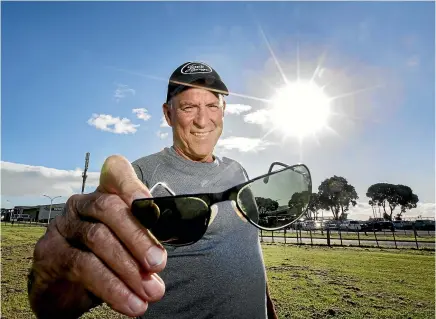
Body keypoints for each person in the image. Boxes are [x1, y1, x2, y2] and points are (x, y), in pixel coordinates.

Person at [27, 61, 278, 319]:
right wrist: (52, 279)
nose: (203, 120)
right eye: (189, 107)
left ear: (223, 110)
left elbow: (248, 250)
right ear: (168, 114)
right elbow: (65, 286)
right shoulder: (141, 179)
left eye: (212, 105)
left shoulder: (237, 170)